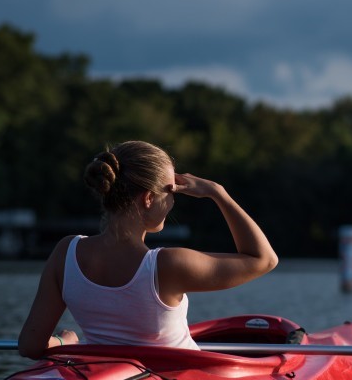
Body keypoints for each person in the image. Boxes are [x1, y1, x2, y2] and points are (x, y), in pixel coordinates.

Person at [18, 140, 278, 359]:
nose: (173, 200)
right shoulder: (168, 265)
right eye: (172, 191)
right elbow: (264, 259)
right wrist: (218, 193)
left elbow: (30, 346)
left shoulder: (66, 252)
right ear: (149, 199)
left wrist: (65, 343)